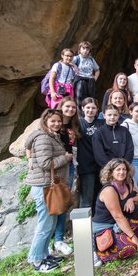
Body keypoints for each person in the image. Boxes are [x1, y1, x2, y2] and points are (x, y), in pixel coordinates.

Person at [24, 109, 72, 272]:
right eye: (53, 121)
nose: (57, 124)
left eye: (58, 121)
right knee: (44, 225)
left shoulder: (51, 135)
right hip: (43, 186)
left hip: (46, 185)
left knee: (49, 223)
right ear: (45, 121)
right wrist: (64, 158)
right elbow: (45, 163)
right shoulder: (44, 138)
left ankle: (44, 255)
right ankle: (36, 260)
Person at [92, 159, 138, 264]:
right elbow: (118, 216)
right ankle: (101, 254)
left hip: (117, 225)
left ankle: (121, 239)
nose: (122, 172)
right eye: (118, 169)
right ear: (111, 172)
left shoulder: (128, 183)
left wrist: (131, 199)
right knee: (130, 247)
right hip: (105, 227)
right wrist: (133, 237)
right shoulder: (109, 190)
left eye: (124, 169)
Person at [53, 97, 81, 256]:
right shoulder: (54, 121)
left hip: (69, 166)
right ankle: (52, 240)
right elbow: (31, 142)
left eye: (73, 107)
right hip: (55, 169)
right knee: (53, 203)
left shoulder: (73, 124)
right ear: (61, 106)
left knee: (63, 203)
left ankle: (59, 239)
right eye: (67, 106)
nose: (70, 109)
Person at [77, 98, 104, 211]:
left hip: (101, 165)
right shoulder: (78, 123)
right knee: (86, 198)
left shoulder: (101, 124)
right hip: (86, 165)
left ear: (97, 109)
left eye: (93, 108)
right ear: (83, 108)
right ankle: (84, 228)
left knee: (100, 197)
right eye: (88, 107)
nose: (90, 110)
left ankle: (98, 223)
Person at [72, 41, 100, 108]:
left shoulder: (91, 59)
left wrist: (95, 77)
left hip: (90, 80)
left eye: (87, 49)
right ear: (80, 49)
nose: (85, 50)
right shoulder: (77, 58)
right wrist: (74, 66)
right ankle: (79, 113)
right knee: (79, 97)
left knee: (90, 98)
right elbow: (66, 62)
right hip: (80, 79)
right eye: (83, 48)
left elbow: (97, 70)